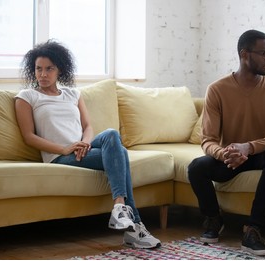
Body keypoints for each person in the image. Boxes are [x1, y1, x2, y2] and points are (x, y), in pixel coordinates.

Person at [14, 39, 161, 249]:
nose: (43, 74)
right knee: (121, 154)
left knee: (111, 134)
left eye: (49, 69)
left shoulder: (73, 94)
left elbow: (88, 126)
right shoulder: (27, 97)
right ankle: (134, 225)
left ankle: (120, 207)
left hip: (84, 148)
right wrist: (65, 149)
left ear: (60, 70)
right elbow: (29, 136)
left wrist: (84, 143)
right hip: (61, 156)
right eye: (39, 69)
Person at [187, 30, 265, 256]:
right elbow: (208, 140)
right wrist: (224, 154)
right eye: (263, 53)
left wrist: (248, 147)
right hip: (231, 159)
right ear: (245, 54)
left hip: (260, 154)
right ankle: (213, 218)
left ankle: (253, 229)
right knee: (196, 167)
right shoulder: (217, 89)